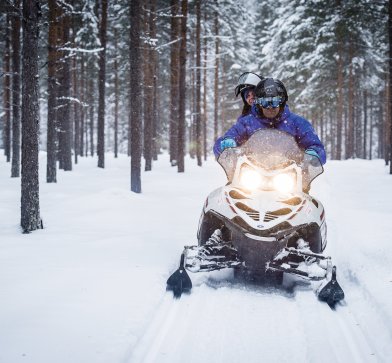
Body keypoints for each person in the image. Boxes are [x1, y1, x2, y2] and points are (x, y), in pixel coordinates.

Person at [213, 77, 326, 165]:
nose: (270, 107)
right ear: (258, 102)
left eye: (275, 101)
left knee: (305, 195)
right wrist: (226, 143)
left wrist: (314, 154)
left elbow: (316, 146)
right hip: (252, 174)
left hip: (290, 176)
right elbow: (226, 139)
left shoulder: (298, 123)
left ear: (282, 101)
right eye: (265, 102)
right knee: (230, 192)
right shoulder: (247, 122)